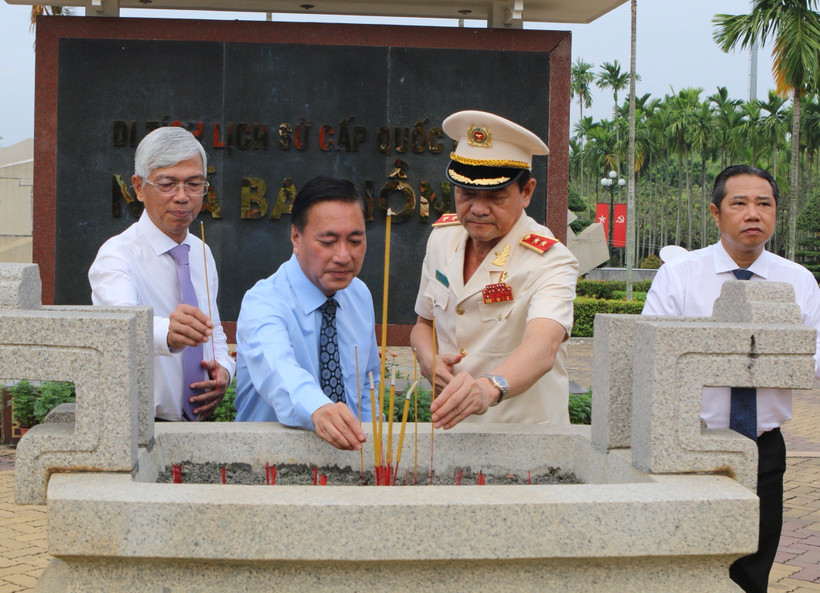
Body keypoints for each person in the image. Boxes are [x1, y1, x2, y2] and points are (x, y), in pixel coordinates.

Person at [643, 164, 820, 593]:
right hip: (691, 445)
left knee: (753, 567)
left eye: (764, 203)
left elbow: (813, 359)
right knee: (686, 563)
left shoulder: (799, 281)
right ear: (716, 212)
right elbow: (651, 357)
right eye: (739, 203)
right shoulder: (681, 276)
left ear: (776, 213)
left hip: (764, 448)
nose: (753, 213)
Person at [411, 110, 579, 429]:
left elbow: (543, 346)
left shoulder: (551, 260)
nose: (477, 209)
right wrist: (427, 358)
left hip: (522, 436)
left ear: (526, 192)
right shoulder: (442, 240)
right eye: (466, 194)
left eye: (495, 197)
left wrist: (487, 389)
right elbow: (423, 323)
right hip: (451, 430)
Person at [89, 126, 234, 421]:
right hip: (140, 429)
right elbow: (120, 326)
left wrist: (224, 370)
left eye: (194, 184)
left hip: (197, 427)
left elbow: (213, 328)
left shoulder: (201, 252)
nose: (182, 197)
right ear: (139, 187)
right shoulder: (117, 255)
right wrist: (168, 332)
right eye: (168, 184)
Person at [234, 176, 380, 451]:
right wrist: (320, 409)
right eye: (328, 242)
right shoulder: (263, 302)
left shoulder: (359, 295)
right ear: (296, 237)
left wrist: (372, 449)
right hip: (268, 465)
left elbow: (367, 386)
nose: (343, 256)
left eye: (355, 241)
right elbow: (278, 369)